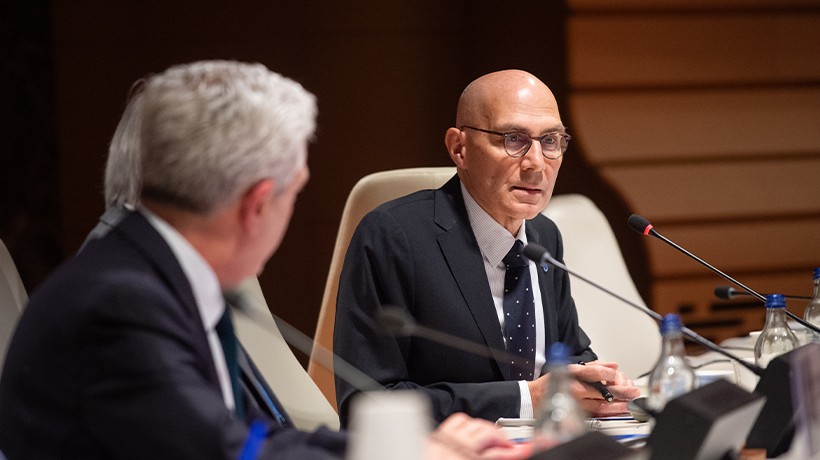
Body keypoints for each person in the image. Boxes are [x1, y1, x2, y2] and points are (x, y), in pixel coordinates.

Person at [0, 61, 530, 460]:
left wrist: (406, 444)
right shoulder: (121, 302)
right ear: (257, 204)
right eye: (294, 193)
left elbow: (253, 434)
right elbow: (227, 451)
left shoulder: (154, 274)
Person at [334, 69, 641, 427]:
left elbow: (570, 351)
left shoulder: (544, 236)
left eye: (551, 140)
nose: (537, 163)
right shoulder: (394, 238)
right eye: (513, 139)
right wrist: (526, 399)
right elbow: (366, 407)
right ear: (459, 148)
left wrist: (595, 382)